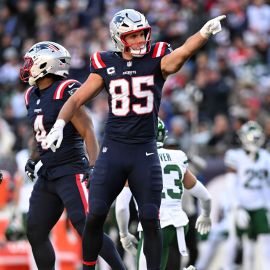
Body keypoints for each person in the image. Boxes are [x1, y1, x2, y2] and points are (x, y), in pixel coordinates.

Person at [43, 9, 226, 270]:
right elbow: (77, 99)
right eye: (133, 36)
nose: (140, 40)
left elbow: (180, 56)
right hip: (113, 150)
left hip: (145, 151)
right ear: (119, 39)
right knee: (94, 216)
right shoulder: (105, 62)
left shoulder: (157, 57)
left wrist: (203, 34)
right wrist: (60, 123)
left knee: (150, 219)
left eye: (142, 34)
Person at [19, 41, 125, 270]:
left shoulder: (64, 90)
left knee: (87, 227)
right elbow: (40, 134)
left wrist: (94, 166)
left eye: (31, 62)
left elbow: (87, 130)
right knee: (35, 230)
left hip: (71, 170)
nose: (27, 66)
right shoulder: (31, 95)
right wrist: (33, 158)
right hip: (47, 174)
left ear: (46, 64)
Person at [115, 118, 212, 270]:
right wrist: (205, 214)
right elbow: (205, 196)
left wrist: (124, 235)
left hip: (154, 225)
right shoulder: (177, 156)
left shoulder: (135, 159)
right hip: (178, 225)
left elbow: (121, 207)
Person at [223, 121, 270, 270]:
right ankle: (227, 267)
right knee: (234, 241)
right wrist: (236, 206)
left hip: (260, 204)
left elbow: (267, 184)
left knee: (265, 242)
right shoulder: (234, 155)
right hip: (240, 204)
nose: (254, 141)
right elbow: (230, 184)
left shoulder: (265, 156)